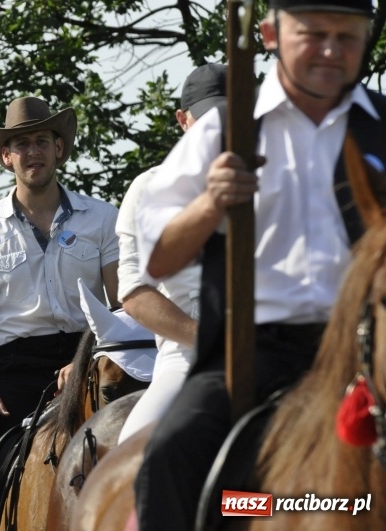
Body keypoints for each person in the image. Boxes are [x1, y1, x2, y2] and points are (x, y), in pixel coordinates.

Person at [132, 1, 382, 529]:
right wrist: (209, 204)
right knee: (169, 454)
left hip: (367, 352)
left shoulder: (383, 126)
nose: (332, 51)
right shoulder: (225, 127)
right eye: (314, 33)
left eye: (348, 36)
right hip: (250, 353)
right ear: (269, 34)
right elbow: (155, 258)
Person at [0, 96, 120, 530]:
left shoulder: (104, 219)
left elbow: (120, 307)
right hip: (15, 369)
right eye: (21, 144)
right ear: (6, 157)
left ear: (59, 148)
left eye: (42, 140)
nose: (33, 152)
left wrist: (86, 361)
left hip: (94, 358)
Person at [115, 64, 227, 445]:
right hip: (187, 357)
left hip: (274, 352)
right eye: (209, 120)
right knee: (133, 450)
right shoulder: (148, 189)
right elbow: (135, 294)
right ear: (183, 120)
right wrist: (211, 338)